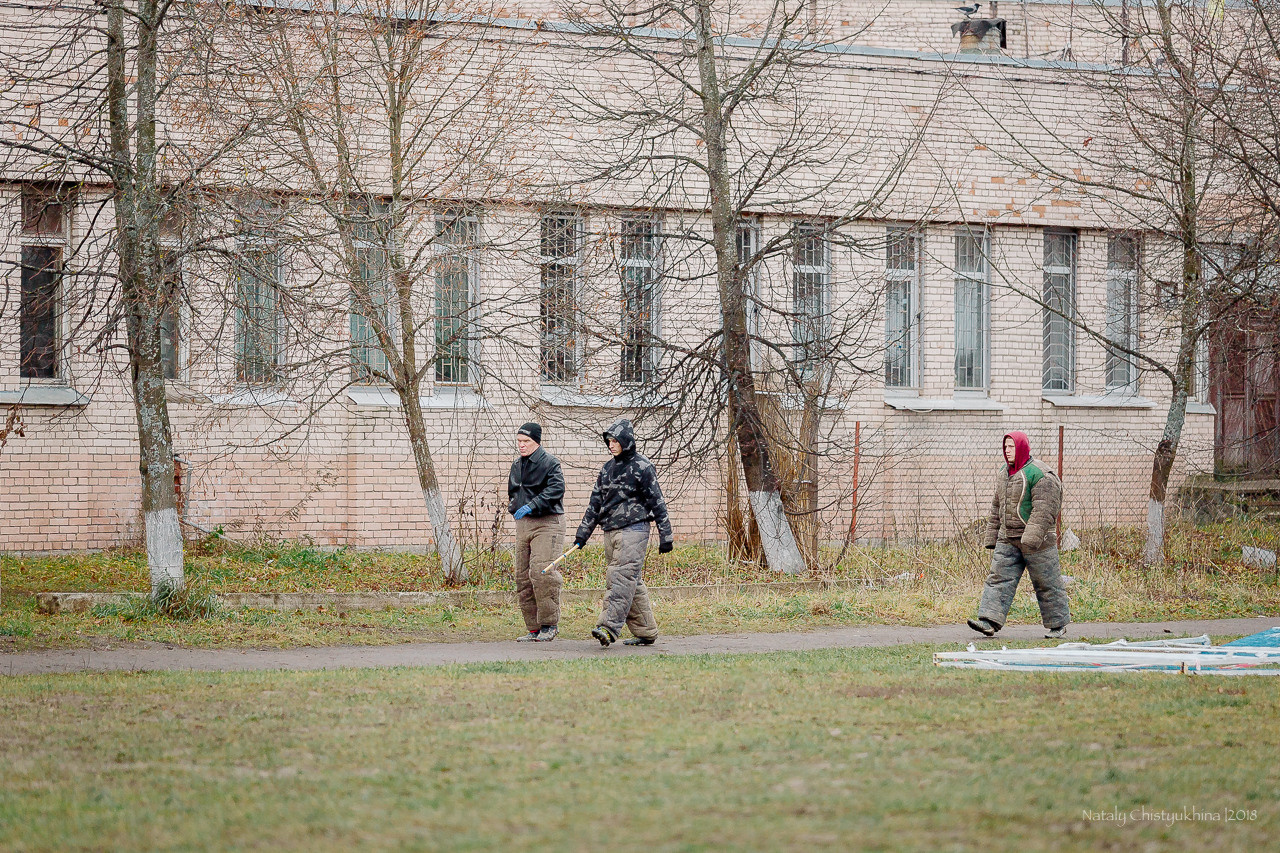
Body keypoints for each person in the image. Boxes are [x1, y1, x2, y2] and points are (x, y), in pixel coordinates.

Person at [573, 418, 673, 648]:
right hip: (610, 531)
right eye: (608, 441)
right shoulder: (607, 469)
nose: (611, 445)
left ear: (626, 441)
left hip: (634, 529)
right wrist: (582, 535)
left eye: (615, 441)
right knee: (630, 581)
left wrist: (666, 536)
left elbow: (657, 502)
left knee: (620, 578)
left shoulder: (643, 466)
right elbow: (595, 504)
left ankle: (608, 628)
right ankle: (646, 631)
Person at [969, 431, 1071, 639]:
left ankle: (1058, 625)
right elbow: (997, 506)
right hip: (1008, 538)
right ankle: (989, 622)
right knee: (998, 579)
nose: (1007, 451)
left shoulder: (1040, 474)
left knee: (1047, 583)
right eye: (1005, 447)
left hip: (1038, 542)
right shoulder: (1003, 472)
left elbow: (1045, 509)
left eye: (1012, 447)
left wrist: (1031, 539)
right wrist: (992, 535)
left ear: (1022, 447)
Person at [508, 421, 566, 642]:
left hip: (548, 522)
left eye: (526, 441)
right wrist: (514, 506)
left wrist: (533, 505)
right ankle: (533, 628)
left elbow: (556, 489)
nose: (521, 445)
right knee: (523, 577)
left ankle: (549, 624)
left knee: (543, 573)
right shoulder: (517, 465)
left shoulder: (550, 463)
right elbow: (514, 491)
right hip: (524, 524)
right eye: (519, 441)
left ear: (537, 442)